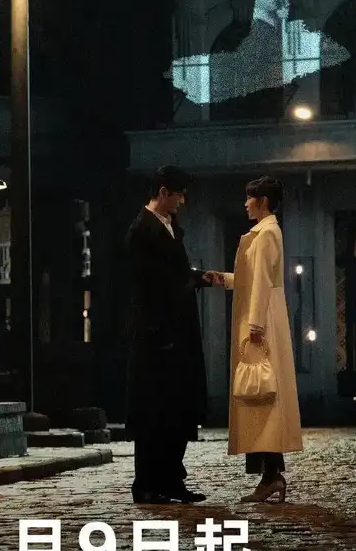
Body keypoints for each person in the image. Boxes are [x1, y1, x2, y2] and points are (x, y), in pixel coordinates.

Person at [207, 176, 302, 502]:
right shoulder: (265, 232)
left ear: (262, 201)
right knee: (261, 400)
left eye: (250, 198)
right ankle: (270, 474)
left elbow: (261, 280)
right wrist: (221, 279)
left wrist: (256, 325)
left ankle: (271, 475)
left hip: (261, 319)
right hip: (260, 315)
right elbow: (252, 278)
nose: (246, 203)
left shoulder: (266, 233)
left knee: (262, 396)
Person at [125, 165, 209, 504]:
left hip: (178, 329)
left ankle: (172, 479)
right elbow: (148, 286)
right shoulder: (141, 231)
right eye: (179, 195)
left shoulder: (170, 226)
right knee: (153, 411)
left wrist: (199, 278)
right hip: (156, 334)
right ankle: (147, 483)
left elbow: (175, 274)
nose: (182, 201)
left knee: (179, 408)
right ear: (163, 193)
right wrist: (160, 331)